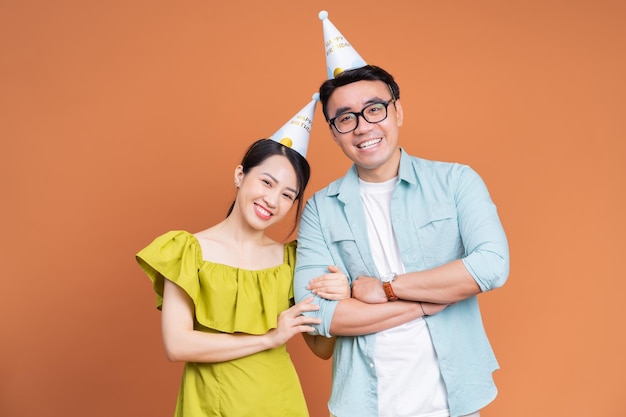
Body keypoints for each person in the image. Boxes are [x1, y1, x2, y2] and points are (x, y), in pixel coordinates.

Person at [294, 65, 510, 417]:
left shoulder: (456, 181)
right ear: (334, 133)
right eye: (345, 118)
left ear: (398, 111)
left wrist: (386, 289)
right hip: (364, 404)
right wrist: (424, 303)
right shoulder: (321, 208)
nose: (363, 126)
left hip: (456, 399)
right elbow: (317, 314)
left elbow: (491, 266)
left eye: (374, 109)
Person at [136, 138, 349, 417]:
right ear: (240, 175)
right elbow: (178, 345)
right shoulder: (187, 252)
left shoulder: (292, 262)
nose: (272, 200)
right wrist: (269, 338)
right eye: (267, 182)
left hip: (281, 404)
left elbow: (322, 348)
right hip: (210, 406)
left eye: (287, 195)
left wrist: (340, 300)